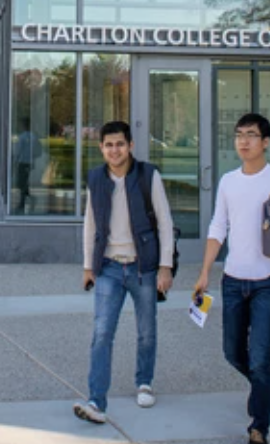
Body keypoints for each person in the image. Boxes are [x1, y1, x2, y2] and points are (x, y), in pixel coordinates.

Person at [192, 112, 270, 444]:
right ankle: (262, 388)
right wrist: (204, 272)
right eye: (239, 134)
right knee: (233, 353)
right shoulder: (229, 181)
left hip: (269, 284)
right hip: (232, 281)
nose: (243, 141)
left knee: (260, 357)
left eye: (251, 135)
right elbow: (218, 227)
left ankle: (259, 426)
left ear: (266, 142)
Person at [73, 120, 175, 425]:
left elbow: (165, 222)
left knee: (146, 331)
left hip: (143, 267)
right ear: (101, 148)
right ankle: (96, 401)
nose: (114, 150)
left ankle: (144, 381)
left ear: (130, 146)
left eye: (119, 144)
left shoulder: (147, 175)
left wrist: (165, 266)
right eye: (108, 145)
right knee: (102, 333)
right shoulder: (96, 179)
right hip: (109, 268)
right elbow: (90, 224)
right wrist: (88, 266)